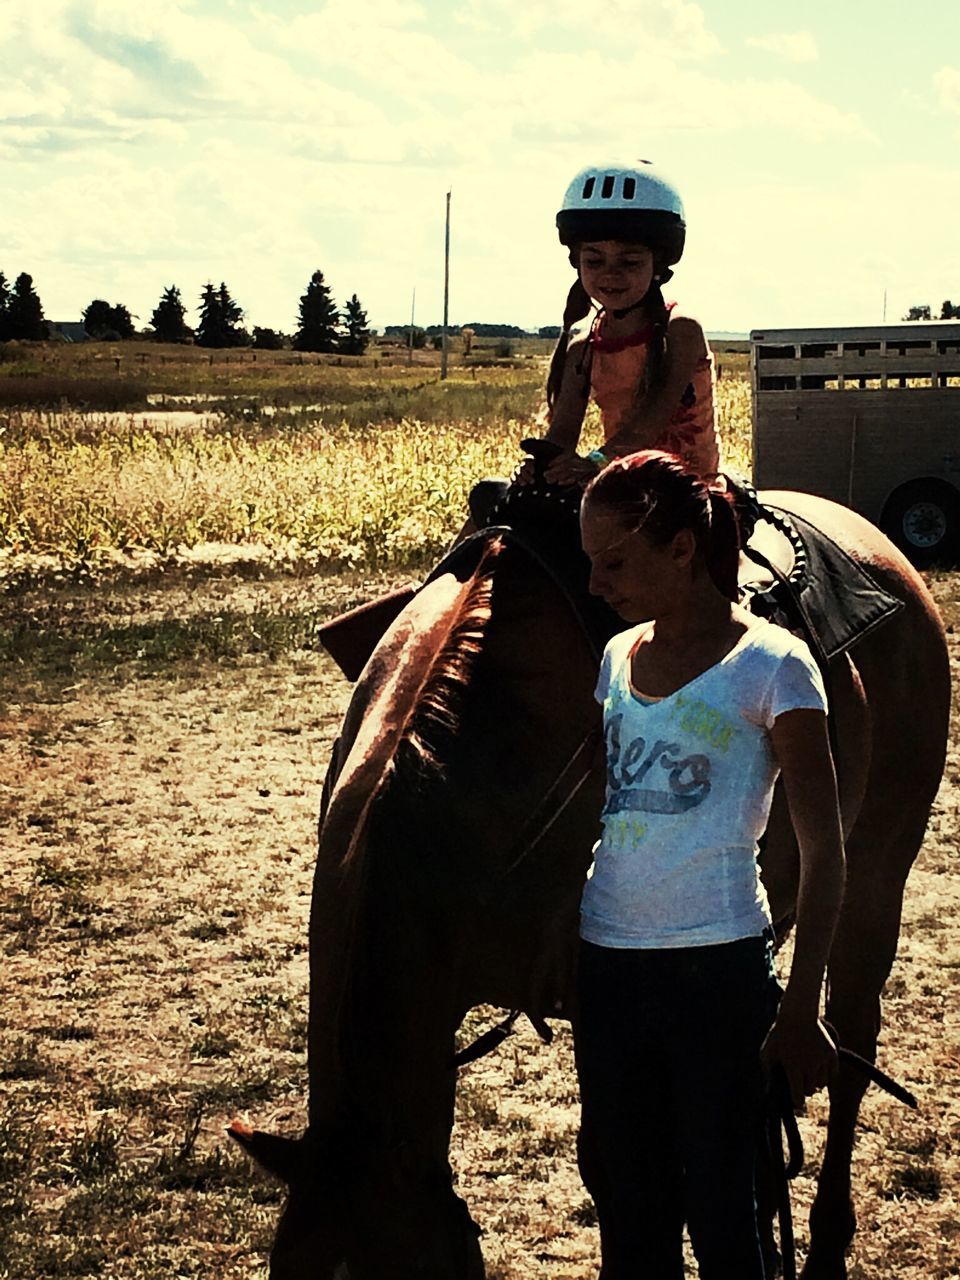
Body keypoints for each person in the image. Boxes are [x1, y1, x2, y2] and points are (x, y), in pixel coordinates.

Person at [575, 450, 845, 1279]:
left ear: (683, 548)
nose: (598, 586)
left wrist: (801, 1009)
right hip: (608, 969)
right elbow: (602, 808)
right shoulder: (616, 657)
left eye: (615, 562)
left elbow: (825, 850)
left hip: (718, 972)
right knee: (629, 1210)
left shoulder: (773, 666)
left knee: (727, 1212)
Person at [536, 161, 719, 488]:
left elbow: (649, 421)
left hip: (688, 490)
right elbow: (563, 432)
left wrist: (593, 464)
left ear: (658, 264)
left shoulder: (681, 329)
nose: (610, 274)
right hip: (619, 487)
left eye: (630, 262)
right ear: (576, 263)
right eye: (594, 261)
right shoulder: (583, 348)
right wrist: (541, 467)